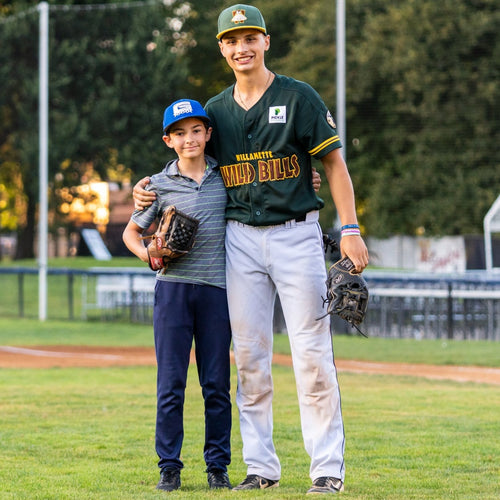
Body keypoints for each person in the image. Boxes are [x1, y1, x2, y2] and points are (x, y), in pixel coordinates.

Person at [133, 4, 369, 495]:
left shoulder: (297, 97)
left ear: (265, 41)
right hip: (240, 240)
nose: (240, 47)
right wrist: (147, 191)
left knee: (311, 354)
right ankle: (261, 467)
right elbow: (188, 155)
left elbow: (335, 167)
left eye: (249, 38)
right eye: (230, 40)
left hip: (296, 234)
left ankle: (327, 469)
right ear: (221, 49)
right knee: (251, 359)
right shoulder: (215, 111)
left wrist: (350, 227)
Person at [122, 99, 232, 492]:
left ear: (208, 134)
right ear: (168, 140)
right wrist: (147, 254)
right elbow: (131, 233)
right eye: (180, 133)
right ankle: (169, 466)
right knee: (171, 384)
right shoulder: (156, 185)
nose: (190, 139)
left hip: (216, 292)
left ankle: (217, 466)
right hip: (172, 291)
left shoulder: (227, 176)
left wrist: (310, 181)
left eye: (196, 131)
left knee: (216, 384)